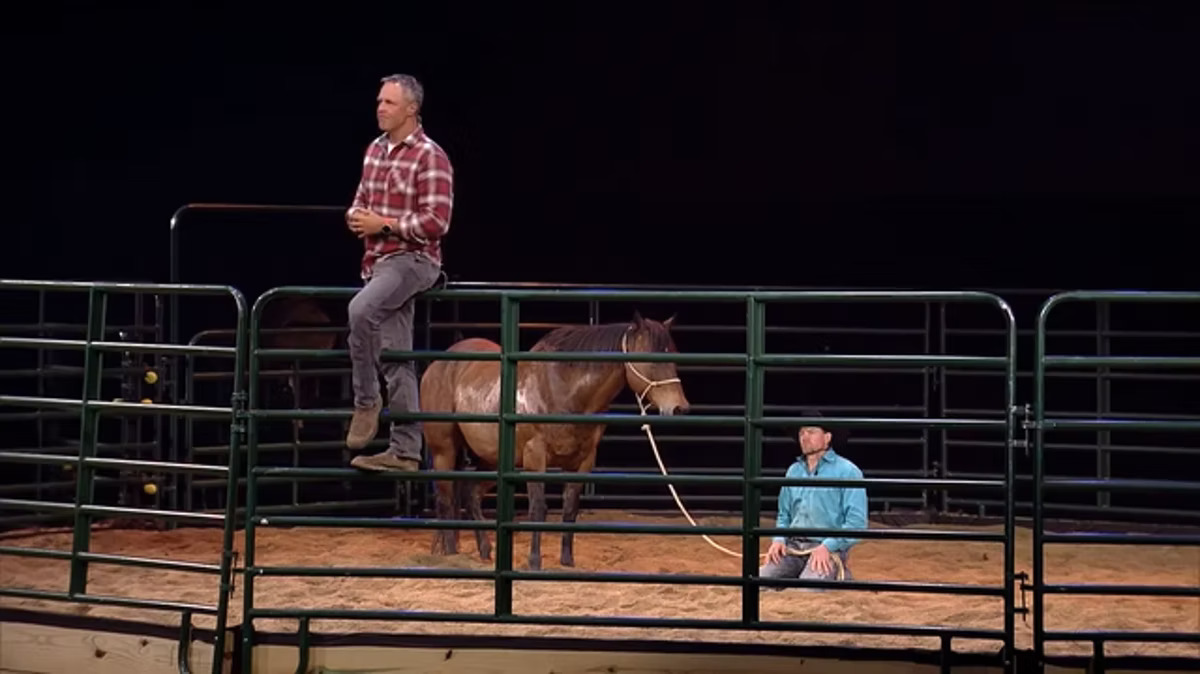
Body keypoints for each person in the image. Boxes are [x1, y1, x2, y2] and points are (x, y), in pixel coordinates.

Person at [343, 73, 454, 472]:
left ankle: (366, 402)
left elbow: (437, 222)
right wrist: (357, 217)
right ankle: (406, 451)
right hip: (377, 263)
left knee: (360, 312)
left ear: (411, 109)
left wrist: (384, 224)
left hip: (413, 259)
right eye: (379, 101)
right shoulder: (374, 151)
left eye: (388, 102)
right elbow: (360, 200)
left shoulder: (430, 156)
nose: (380, 108)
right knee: (395, 357)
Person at [760, 410, 868, 588]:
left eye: (811, 432)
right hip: (793, 547)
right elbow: (784, 515)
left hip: (825, 548)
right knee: (758, 581)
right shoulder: (793, 471)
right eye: (802, 433)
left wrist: (828, 546)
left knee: (809, 587)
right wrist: (778, 539)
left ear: (827, 438)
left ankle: (835, 571)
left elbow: (856, 523)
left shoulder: (848, 472)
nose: (804, 437)